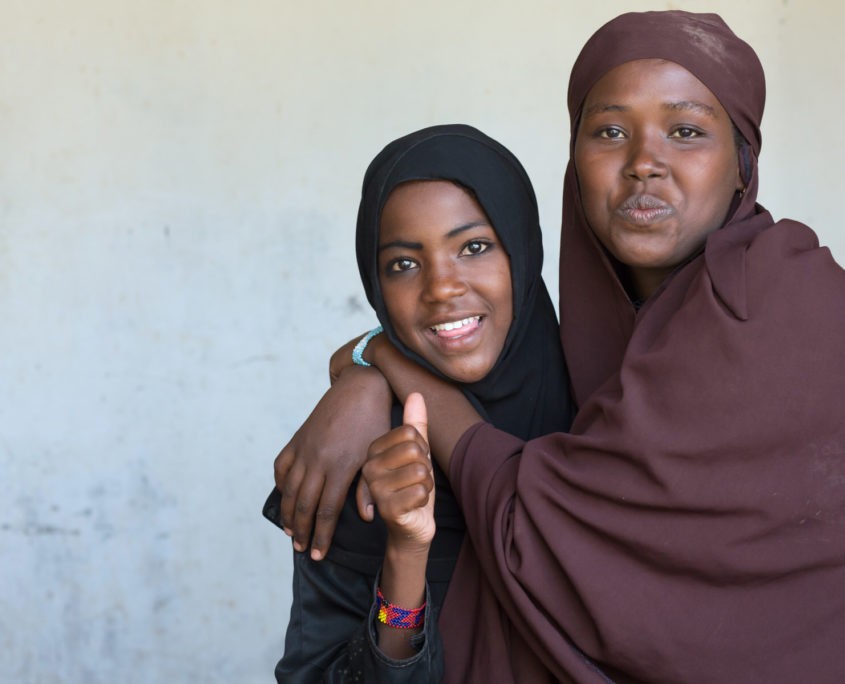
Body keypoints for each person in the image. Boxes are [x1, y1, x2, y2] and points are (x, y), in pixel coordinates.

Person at [279, 10, 845, 683]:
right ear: (573, 160)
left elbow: (540, 525)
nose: (643, 164)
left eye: (686, 131)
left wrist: (381, 365)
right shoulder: (583, 364)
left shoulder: (776, 305)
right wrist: (402, 560)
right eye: (608, 131)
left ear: (742, 164)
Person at [264, 123, 573, 681]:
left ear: (522, 250)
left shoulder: (607, 400)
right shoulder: (360, 455)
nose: (441, 288)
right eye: (404, 263)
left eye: (474, 247)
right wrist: (405, 555)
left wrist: (370, 358)